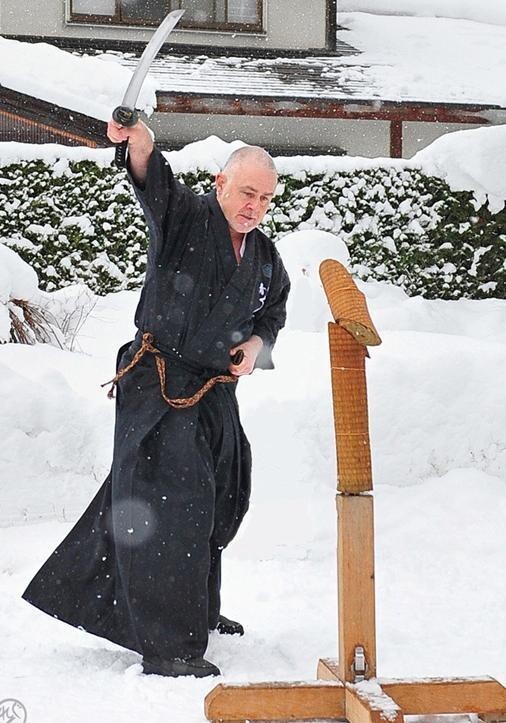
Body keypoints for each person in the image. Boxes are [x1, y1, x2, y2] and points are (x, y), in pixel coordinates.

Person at [22, 119, 290, 679]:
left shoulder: (265, 256)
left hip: (213, 390)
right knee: (172, 505)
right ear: (220, 183)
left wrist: (258, 343)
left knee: (221, 496)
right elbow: (152, 176)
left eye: (265, 197)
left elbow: (272, 311)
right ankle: (169, 645)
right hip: (160, 382)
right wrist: (139, 140)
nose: (255, 206)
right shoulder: (185, 217)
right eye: (247, 193)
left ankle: (197, 612)